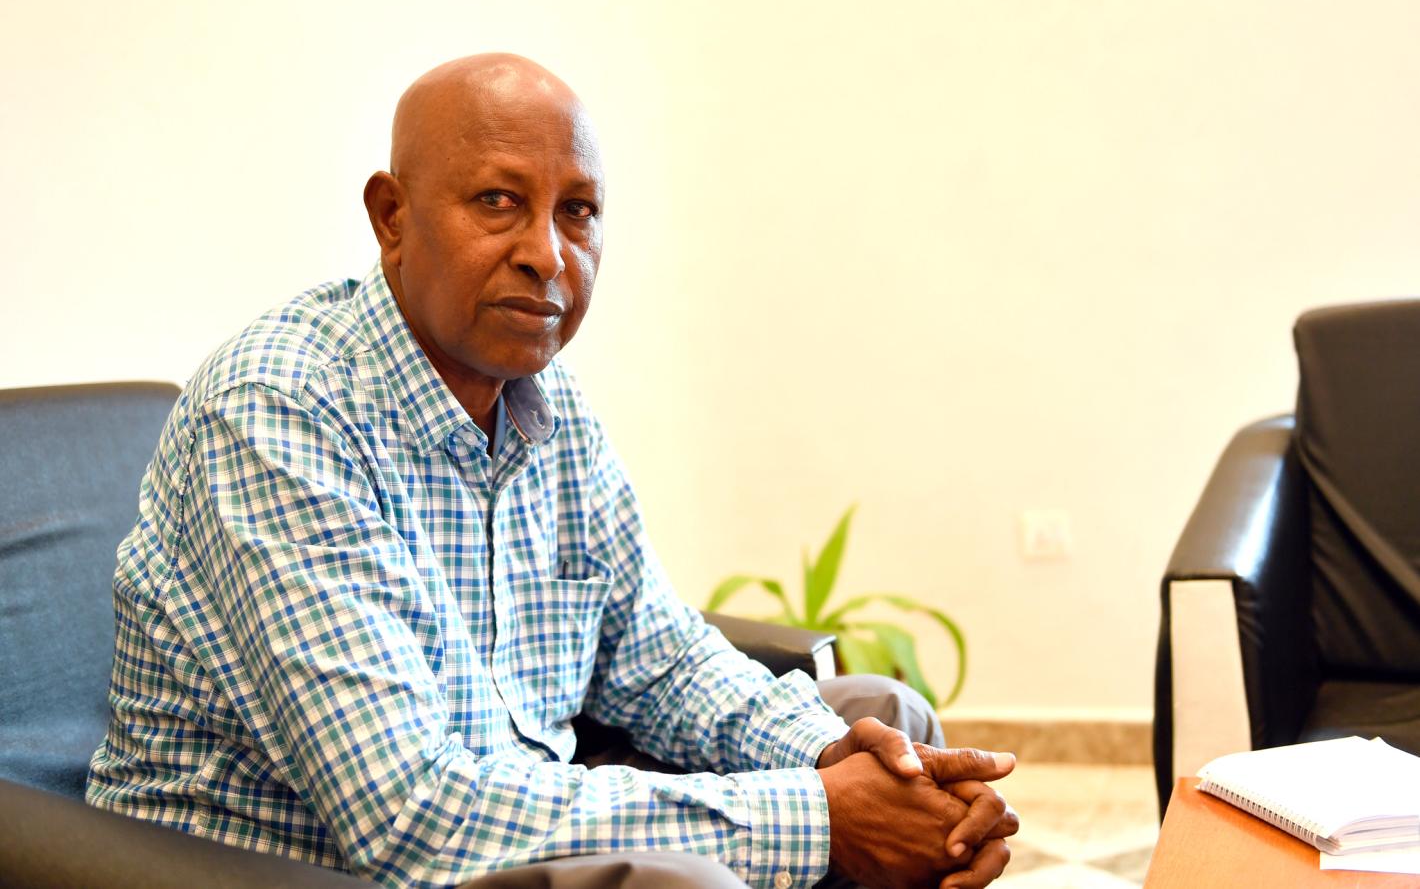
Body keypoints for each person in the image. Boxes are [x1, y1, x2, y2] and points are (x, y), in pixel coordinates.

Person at [86, 54, 1017, 889]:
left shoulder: (547, 401)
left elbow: (658, 657)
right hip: (299, 862)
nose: (546, 254)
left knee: (884, 721)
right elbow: (408, 815)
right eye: (499, 201)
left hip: (509, 813)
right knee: (689, 880)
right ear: (392, 217)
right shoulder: (279, 408)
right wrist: (821, 816)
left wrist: (836, 760)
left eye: (578, 211)